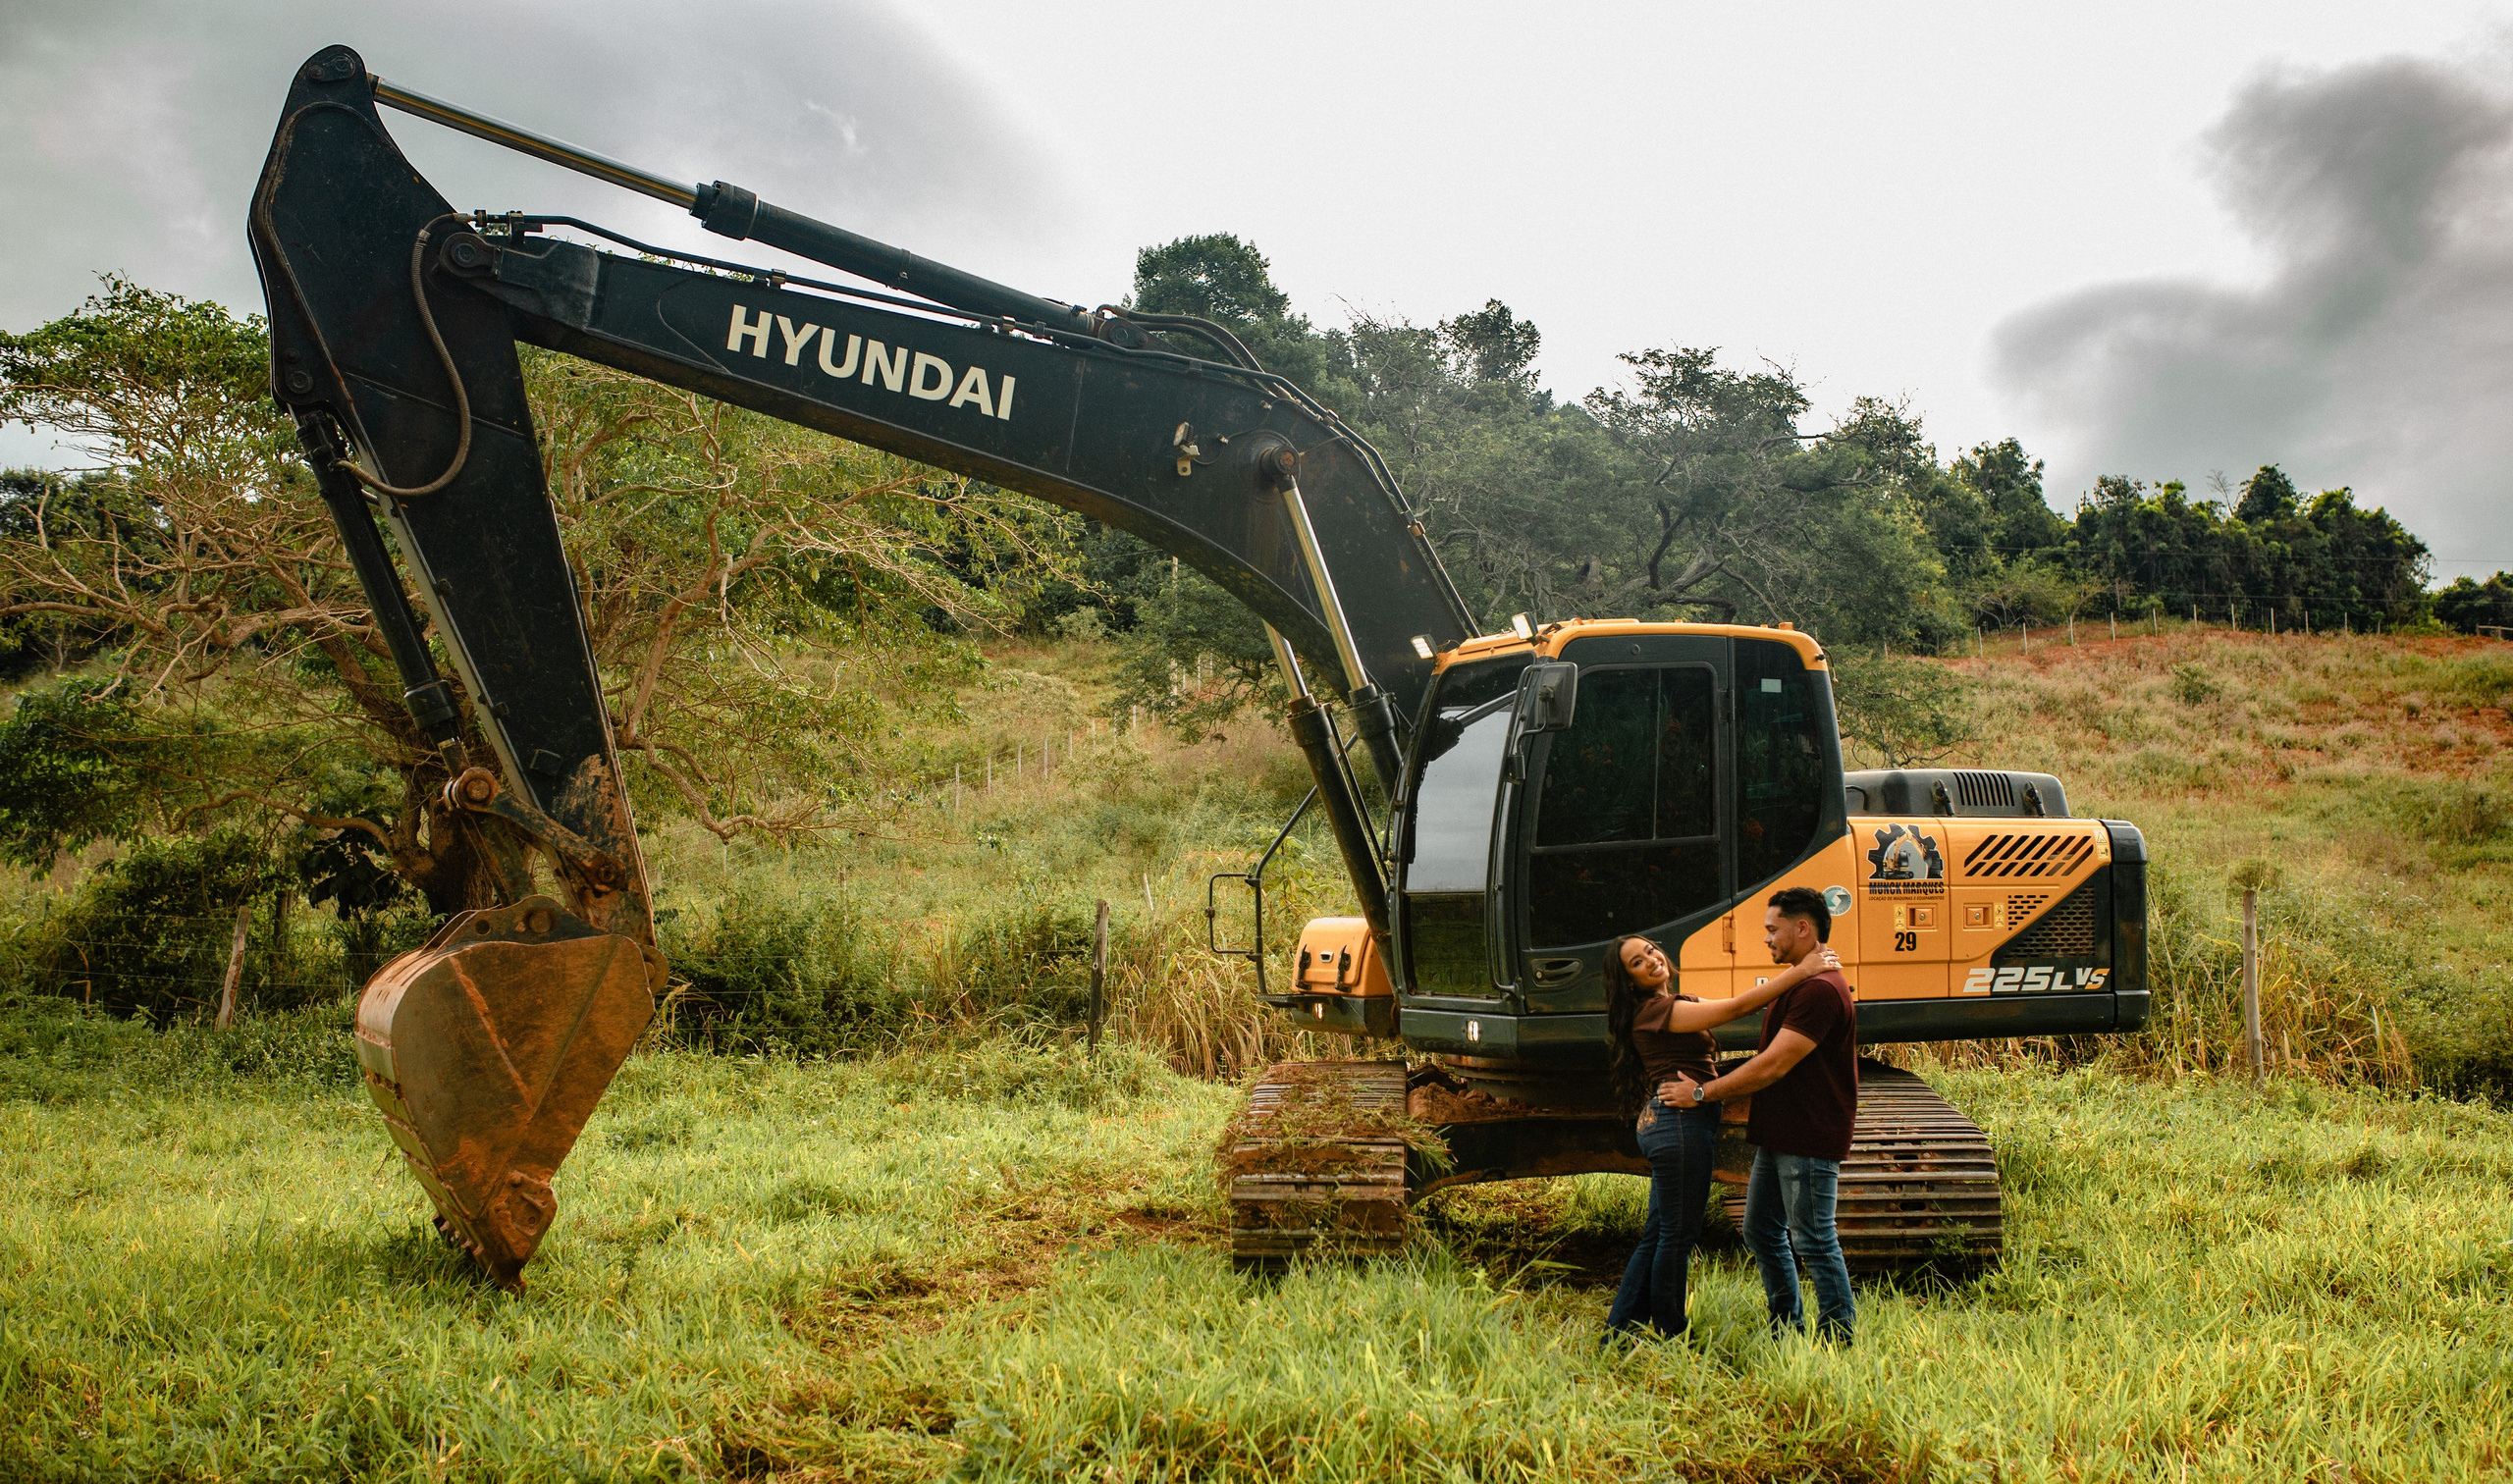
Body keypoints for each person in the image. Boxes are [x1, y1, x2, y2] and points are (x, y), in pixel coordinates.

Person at [1602, 930, 1841, 1343]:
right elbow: (1738, 1008)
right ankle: (1670, 1333)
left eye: (1651, 950)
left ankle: (1622, 1329)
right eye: (1637, 962)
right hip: (1679, 1125)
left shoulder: (1679, 1003)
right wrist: (1803, 971)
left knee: (1661, 1233)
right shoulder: (1657, 1011)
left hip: (1678, 1123)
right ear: (1629, 981)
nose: (1652, 959)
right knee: (1676, 1238)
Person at [1669, 886, 1859, 1344]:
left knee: (1813, 1239)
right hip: (1781, 1132)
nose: (1767, 939)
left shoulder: (1818, 990)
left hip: (1807, 1135)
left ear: (1803, 928)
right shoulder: (1800, 981)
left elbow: (1774, 1063)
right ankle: (1785, 1326)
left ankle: (1838, 1339)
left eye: (1773, 929)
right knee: (1761, 1231)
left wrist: (1702, 1092)